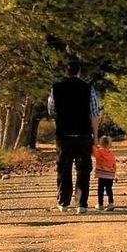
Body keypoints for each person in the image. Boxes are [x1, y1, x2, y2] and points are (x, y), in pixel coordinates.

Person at [48, 61, 100, 214]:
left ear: (66, 72)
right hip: (83, 134)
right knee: (83, 169)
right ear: (79, 72)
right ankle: (81, 203)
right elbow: (95, 114)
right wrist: (96, 137)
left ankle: (63, 202)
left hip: (64, 135)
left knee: (64, 168)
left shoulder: (56, 88)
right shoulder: (88, 88)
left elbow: (51, 110)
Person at [93, 135, 117, 211]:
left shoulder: (99, 152)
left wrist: (94, 145)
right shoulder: (111, 154)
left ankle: (100, 204)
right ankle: (111, 203)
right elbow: (114, 164)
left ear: (100, 143)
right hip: (110, 174)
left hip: (102, 174)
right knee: (109, 189)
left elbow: (93, 152)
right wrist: (114, 172)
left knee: (100, 189)